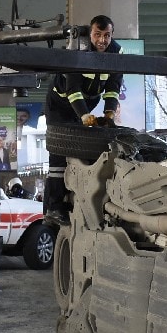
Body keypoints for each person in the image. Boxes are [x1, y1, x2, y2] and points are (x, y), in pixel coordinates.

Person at [43, 14, 124, 223]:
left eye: (107, 36)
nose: (102, 41)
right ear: (90, 33)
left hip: (87, 103)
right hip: (60, 105)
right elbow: (73, 90)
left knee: (84, 150)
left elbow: (113, 89)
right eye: (98, 35)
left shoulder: (117, 53)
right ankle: (53, 208)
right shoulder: (76, 50)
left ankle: (79, 197)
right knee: (59, 152)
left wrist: (109, 113)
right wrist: (84, 116)